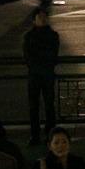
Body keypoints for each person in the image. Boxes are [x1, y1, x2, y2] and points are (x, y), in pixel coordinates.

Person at [23, 9, 60, 145]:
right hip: (45, 73)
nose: (43, 19)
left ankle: (38, 135)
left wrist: (36, 62)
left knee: (43, 105)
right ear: (34, 20)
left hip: (36, 74)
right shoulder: (52, 35)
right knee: (41, 105)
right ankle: (46, 134)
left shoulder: (30, 36)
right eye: (40, 17)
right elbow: (52, 55)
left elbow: (28, 56)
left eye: (44, 16)